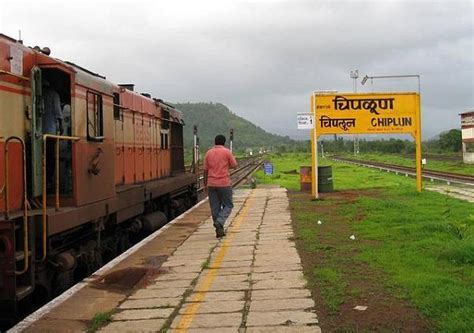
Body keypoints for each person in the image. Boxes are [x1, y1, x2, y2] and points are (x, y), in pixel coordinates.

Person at [203, 134, 238, 238]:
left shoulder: (208, 153)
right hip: (224, 183)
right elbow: (235, 165)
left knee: (215, 207)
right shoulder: (227, 152)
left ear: (215, 142)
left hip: (211, 184)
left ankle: (219, 229)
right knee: (228, 205)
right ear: (224, 142)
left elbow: (205, 170)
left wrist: (205, 184)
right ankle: (220, 221)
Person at [42, 80, 63, 191]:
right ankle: (48, 181)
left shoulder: (39, 94)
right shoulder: (54, 95)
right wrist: (61, 127)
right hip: (50, 132)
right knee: (51, 157)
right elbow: (58, 113)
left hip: (38, 133)